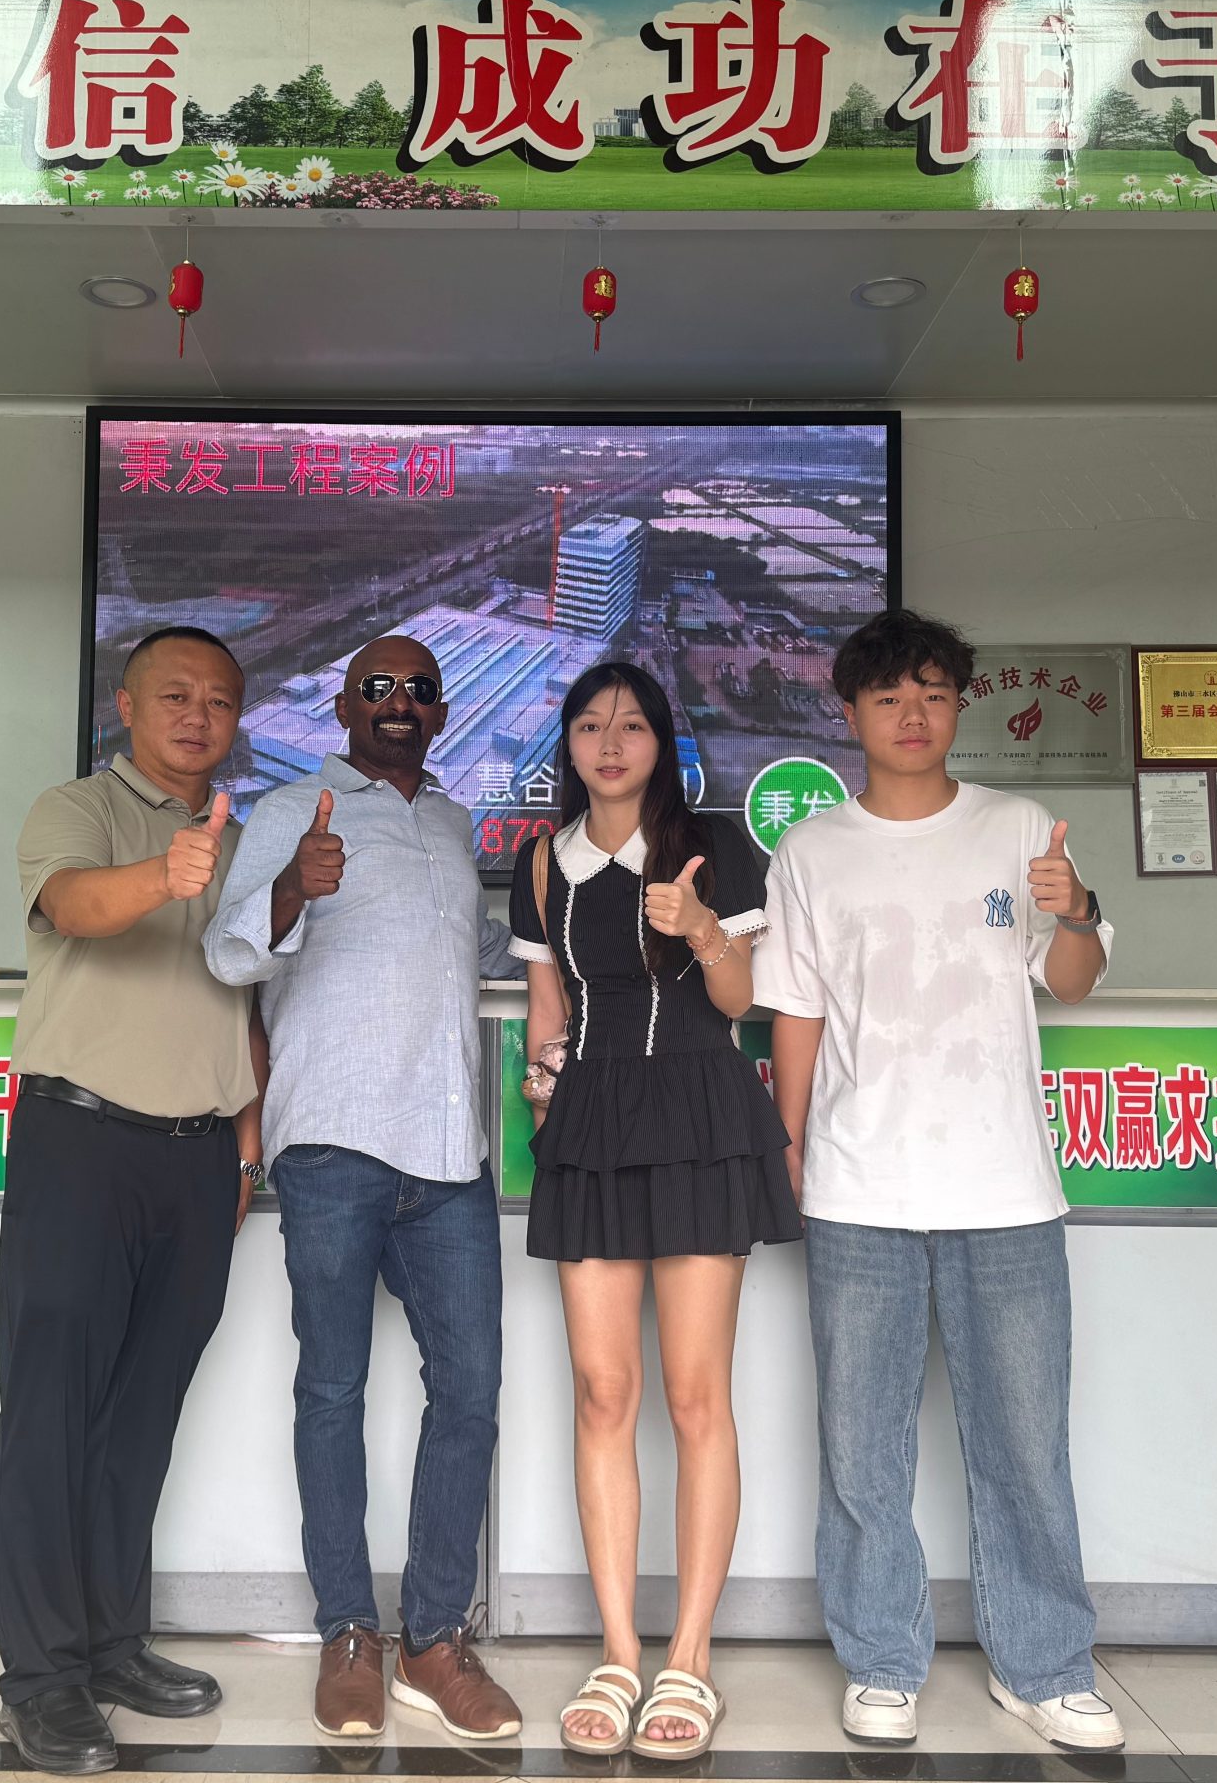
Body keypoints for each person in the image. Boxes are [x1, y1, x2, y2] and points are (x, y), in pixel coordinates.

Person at [752, 608, 1125, 1755]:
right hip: (858, 1185)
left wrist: (1075, 912)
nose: (911, 715)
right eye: (887, 697)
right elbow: (795, 1011)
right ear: (849, 714)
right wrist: (790, 1142)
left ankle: (1045, 1667)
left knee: (1024, 1444)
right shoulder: (810, 853)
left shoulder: (1019, 831)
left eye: (931, 693)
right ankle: (880, 1662)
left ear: (958, 704)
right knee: (861, 1449)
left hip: (1004, 1187)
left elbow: (1073, 982)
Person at [204, 633, 526, 1747]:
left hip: (448, 1154)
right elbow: (228, 954)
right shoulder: (292, 809)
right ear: (343, 706)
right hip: (333, 1144)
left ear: (440, 714)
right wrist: (295, 884)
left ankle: (433, 1640)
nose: (398, 702)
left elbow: (475, 949)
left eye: (418, 690)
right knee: (331, 1393)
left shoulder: (453, 823)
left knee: (470, 1393)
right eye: (376, 687)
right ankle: (348, 1632)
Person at [0, 626, 268, 1777]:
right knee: (51, 1414)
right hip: (82, 1142)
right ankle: (39, 1682)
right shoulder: (77, 809)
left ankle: (110, 1647)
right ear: (128, 705)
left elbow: (248, 1002)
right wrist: (165, 873)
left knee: (140, 1417)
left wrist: (244, 1147)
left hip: (198, 1161)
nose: (197, 717)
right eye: (175, 696)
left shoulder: (244, 842)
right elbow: (72, 907)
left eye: (218, 701)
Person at [510, 661, 802, 1762]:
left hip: (697, 1108)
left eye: (630, 725)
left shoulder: (712, 845)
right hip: (590, 1119)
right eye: (590, 725)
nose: (609, 743)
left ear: (659, 741)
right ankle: (619, 1652)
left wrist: (701, 929)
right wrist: (546, 1086)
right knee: (602, 1390)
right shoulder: (542, 861)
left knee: (692, 1395)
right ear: (569, 745)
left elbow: (739, 1000)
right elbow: (549, 1000)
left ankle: (689, 1657)